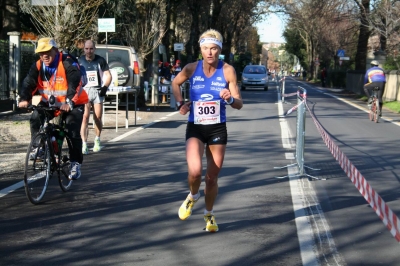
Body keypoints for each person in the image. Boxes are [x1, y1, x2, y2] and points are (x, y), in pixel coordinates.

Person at [171, 29, 243, 232]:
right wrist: (180, 104)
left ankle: (209, 215)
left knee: (211, 178)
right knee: (194, 172)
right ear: (200, 49)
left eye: (213, 48)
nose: (209, 52)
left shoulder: (228, 70)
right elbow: (175, 84)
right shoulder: (191, 68)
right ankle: (193, 196)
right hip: (196, 126)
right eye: (205, 48)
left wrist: (229, 98)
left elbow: (239, 103)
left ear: (219, 49)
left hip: (217, 128)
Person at [18, 37, 88, 180]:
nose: (44, 55)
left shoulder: (67, 62)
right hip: (50, 103)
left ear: (55, 51)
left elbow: (75, 83)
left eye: (47, 52)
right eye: (41, 53)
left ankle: (75, 164)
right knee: (36, 117)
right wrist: (24, 98)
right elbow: (28, 82)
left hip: (73, 102)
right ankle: (40, 148)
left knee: (71, 129)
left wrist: (69, 102)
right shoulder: (38, 66)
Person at [79, 40, 112, 154]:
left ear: (95, 49)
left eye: (91, 49)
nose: (89, 51)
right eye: (87, 49)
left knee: (97, 118)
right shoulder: (80, 60)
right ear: (84, 49)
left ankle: (97, 139)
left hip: (98, 91)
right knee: (85, 117)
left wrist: (105, 87)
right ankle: (84, 143)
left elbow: (108, 75)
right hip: (85, 91)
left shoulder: (100, 60)